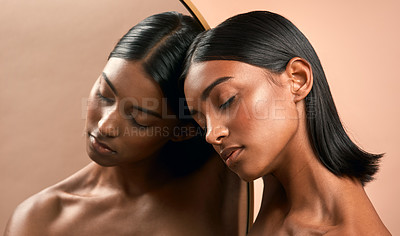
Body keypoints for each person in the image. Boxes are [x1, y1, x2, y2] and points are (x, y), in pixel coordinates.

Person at [5, 12, 247, 236]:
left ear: (183, 130)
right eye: (104, 94)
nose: (105, 126)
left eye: (139, 118)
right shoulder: (40, 220)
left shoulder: (232, 175)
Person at [182, 11, 391, 235]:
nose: (211, 134)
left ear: (298, 79)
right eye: (201, 121)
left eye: (226, 101)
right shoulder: (278, 195)